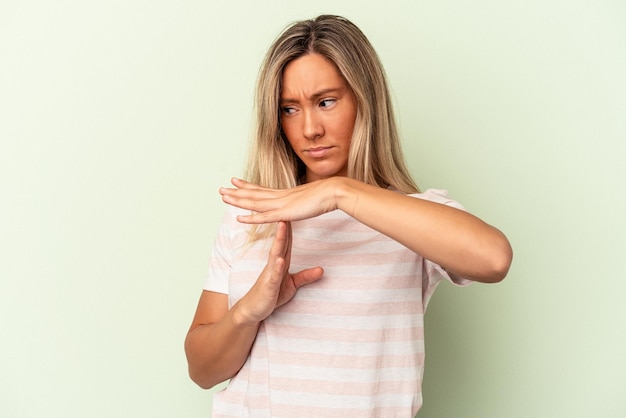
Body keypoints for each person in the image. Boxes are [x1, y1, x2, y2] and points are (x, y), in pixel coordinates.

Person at [185, 14, 512, 417]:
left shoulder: (412, 215)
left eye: (326, 102)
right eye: (290, 109)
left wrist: (339, 192)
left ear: (364, 99)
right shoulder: (252, 214)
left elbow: (494, 258)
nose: (309, 129)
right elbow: (202, 370)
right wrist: (250, 310)